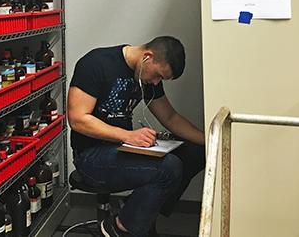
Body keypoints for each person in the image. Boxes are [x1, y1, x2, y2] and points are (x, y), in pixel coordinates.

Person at [67, 36, 205, 237]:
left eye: (162, 80)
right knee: (169, 168)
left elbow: (170, 117)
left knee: (195, 152)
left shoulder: (147, 77)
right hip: (91, 156)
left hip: (123, 148)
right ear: (147, 57)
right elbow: (78, 119)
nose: (156, 82)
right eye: (158, 76)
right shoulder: (96, 63)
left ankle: (135, 212)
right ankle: (119, 228)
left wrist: (211, 140)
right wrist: (128, 136)